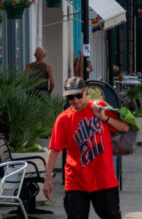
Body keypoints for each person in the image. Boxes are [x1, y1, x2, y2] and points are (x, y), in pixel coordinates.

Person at [43, 77, 130, 219]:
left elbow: (125, 127)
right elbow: (54, 151)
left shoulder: (99, 106)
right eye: (71, 97)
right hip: (76, 181)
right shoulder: (63, 119)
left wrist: (105, 118)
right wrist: (47, 180)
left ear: (86, 91)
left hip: (103, 179)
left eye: (78, 95)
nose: (75, 100)